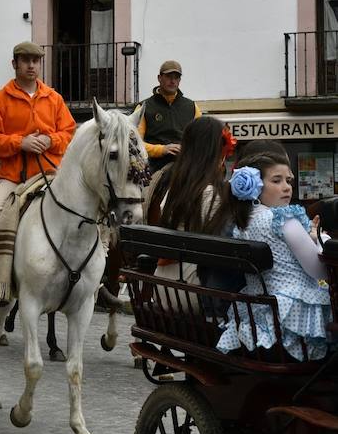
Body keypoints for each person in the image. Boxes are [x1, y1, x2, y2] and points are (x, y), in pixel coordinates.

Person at [0, 41, 77, 307]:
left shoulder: (53, 98)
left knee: (89, 212)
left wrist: (50, 140)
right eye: (26, 60)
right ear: (15, 64)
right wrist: (19, 142)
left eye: (36, 60)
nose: (32, 65)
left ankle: (97, 281)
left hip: (52, 175)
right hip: (13, 179)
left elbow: (68, 132)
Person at [217, 150, 334, 362]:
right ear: (255, 186)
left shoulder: (243, 222)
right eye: (276, 180)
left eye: (288, 180)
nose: (287, 187)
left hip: (261, 313)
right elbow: (320, 270)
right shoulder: (283, 219)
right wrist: (318, 240)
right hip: (293, 316)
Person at [145, 117, 239, 305]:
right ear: (216, 152)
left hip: (164, 286)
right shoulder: (210, 194)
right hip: (191, 290)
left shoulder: (174, 191)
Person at [138, 60, 202, 173]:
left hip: (185, 165)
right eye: (168, 76)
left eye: (176, 77)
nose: (172, 81)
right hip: (154, 166)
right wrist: (162, 150)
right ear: (159, 78)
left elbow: (201, 141)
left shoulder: (192, 107)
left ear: (179, 80)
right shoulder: (143, 107)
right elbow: (135, 143)